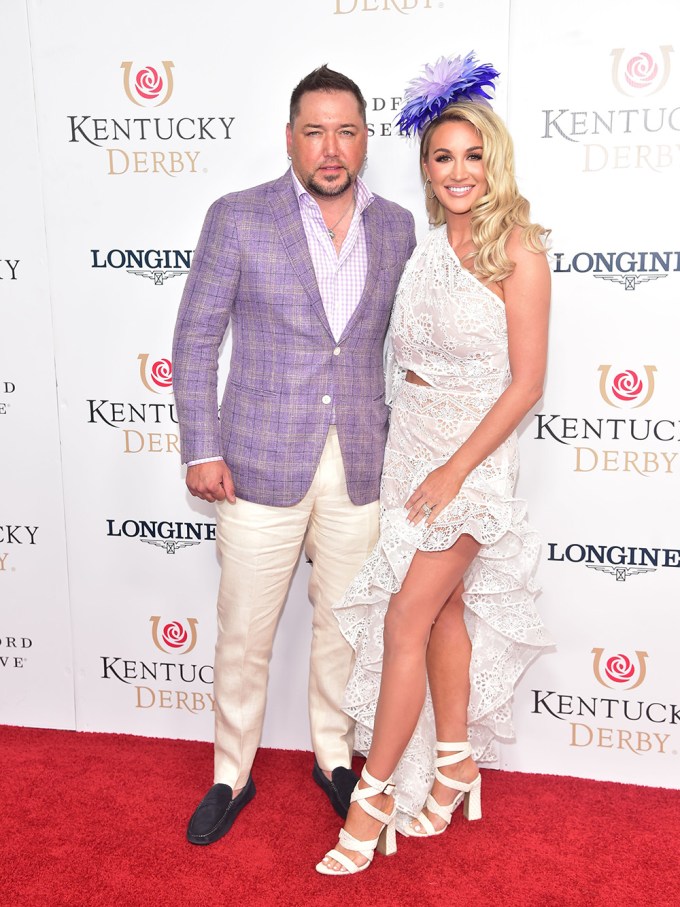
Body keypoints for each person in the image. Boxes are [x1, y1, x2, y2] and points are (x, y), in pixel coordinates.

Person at [317, 53, 553, 875]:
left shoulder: (516, 249)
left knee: (404, 617)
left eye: (473, 155)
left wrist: (456, 471)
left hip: (472, 463)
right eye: (442, 157)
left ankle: (373, 793)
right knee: (442, 613)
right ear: (425, 168)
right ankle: (455, 763)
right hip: (412, 448)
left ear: (496, 161)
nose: (457, 171)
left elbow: (527, 384)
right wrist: (411, 458)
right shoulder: (425, 246)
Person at [172, 65, 416, 845]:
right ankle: (229, 773)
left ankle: (333, 756)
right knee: (244, 630)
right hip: (255, 463)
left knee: (346, 626)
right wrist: (201, 446)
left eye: (346, 130)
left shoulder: (400, 226)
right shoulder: (237, 217)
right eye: (315, 131)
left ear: (365, 140)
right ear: (290, 138)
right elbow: (195, 338)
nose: (331, 147)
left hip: (362, 465)